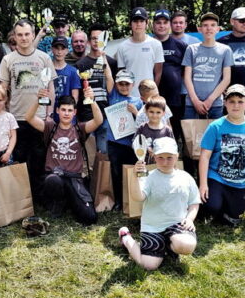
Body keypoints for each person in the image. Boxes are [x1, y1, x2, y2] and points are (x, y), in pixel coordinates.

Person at [118, 137, 200, 269]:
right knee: (148, 265)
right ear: (154, 157)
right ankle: (126, 238)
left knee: (186, 245)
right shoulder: (148, 176)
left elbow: (194, 203)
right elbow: (137, 197)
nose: (165, 162)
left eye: (169, 157)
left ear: (177, 156)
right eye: (160, 157)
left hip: (176, 224)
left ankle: (168, 245)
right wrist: (134, 175)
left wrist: (190, 219)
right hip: (152, 227)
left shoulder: (186, 177)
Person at [0, 19, 56, 199]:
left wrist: (49, 113)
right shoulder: (8, 59)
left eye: (27, 34)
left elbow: (51, 88)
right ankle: (21, 199)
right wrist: (3, 115)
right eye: (20, 35)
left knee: (39, 160)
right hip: (16, 118)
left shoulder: (44, 58)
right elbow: (2, 89)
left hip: (39, 118)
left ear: (33, 35)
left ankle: (39, 198)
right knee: (19, 160)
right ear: (14, 37)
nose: (23, 38)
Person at [25, 90, 103, 224]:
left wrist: (92, 100)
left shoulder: (79, 129)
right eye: (63, 110)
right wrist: (38, 101)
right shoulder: (50, 128)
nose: (66, 113)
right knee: (53, 180)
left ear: (75, 112)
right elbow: (29, 118)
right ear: (57, 111)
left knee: (90, 217)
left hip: (74, 179)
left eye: (70, 110)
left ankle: (70, 201)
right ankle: (57, 203)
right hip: (55, 176)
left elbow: (98, 120)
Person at [198, 84, 245, 226]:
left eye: (240, 101)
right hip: (216, 176)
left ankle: (227, 205)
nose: (236, 105)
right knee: (211, 206)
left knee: (236, 216)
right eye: (231, 101)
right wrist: (203, 184)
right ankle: (209, 205)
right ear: (225, 103)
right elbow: (204, 156)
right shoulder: (215, 126)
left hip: (239, 181)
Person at [75, 23, 118, 153]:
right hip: (87, 115)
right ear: (89, 41)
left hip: (106, 115)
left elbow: (112, 90)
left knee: (104, 154)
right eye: (94, 38)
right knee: (89, 155)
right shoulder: (80, 64)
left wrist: (103, 58)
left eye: (100, 38)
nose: (96, 41)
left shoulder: (112, 63)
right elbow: (78, 92)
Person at [105, 69, 143, 209]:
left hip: (131, 144)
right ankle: (119, 201)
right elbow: (108, 76)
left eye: (127, 84)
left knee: (131, 171)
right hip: (114, 143)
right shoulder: (113, 95)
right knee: (116, 172)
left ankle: (132, 199)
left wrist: (136, 112)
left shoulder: (138, 101)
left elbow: (144, 123)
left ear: (133, 84)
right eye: (121, 84)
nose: (124, 87)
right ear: (116, 84)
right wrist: (102, 58)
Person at [182, 12, 232, 119]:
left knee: (214, 130)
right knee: (191, 131)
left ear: (218, 29)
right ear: (199, 29)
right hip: (192, 103)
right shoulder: (191, 49)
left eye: (213, 25)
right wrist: (195, 100)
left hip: (215, 104)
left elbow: (227, 79)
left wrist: (210, 100)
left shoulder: (225, 50)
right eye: (205, 25)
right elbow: (187, 77)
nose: (209, 28)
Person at [152, 8, 188, 142]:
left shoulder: (181, 46)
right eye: (158, 23)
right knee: (152, 134)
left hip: (174, 99)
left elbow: (186, 72)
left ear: (169, 25)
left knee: (173, 135)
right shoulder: (147, 44)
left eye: (165, 23)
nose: (161, 26)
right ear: (152, 25)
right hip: (151, 98)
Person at [116, 7, 164, 97]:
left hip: (149, 96)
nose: (138, 24)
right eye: (135, 21)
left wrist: (153, 92)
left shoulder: (156, 44)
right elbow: (121, 74)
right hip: (129, 96)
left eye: (141, 21)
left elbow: (158, 73)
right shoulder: (122, 47)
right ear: (130, 24)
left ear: (147, 23)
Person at [134, 96, 174, 164]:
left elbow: (172, 147)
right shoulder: (142, 128)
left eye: (158, 112)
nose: (154, 115)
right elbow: (135, 143)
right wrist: (146, 148)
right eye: (151, 112)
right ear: (146, 111)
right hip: (144, 164)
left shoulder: (167, 130)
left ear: (164, 113)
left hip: (163, 165)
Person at [51, 36, 81, 120]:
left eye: (62, 48)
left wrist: (71, 116)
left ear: (67, 50)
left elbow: (75, 97)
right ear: (52, 49)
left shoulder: (73, 71)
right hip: (50, 115)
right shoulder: (46, 70)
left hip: (67, 116)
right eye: (57, 48)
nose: (59, 52)